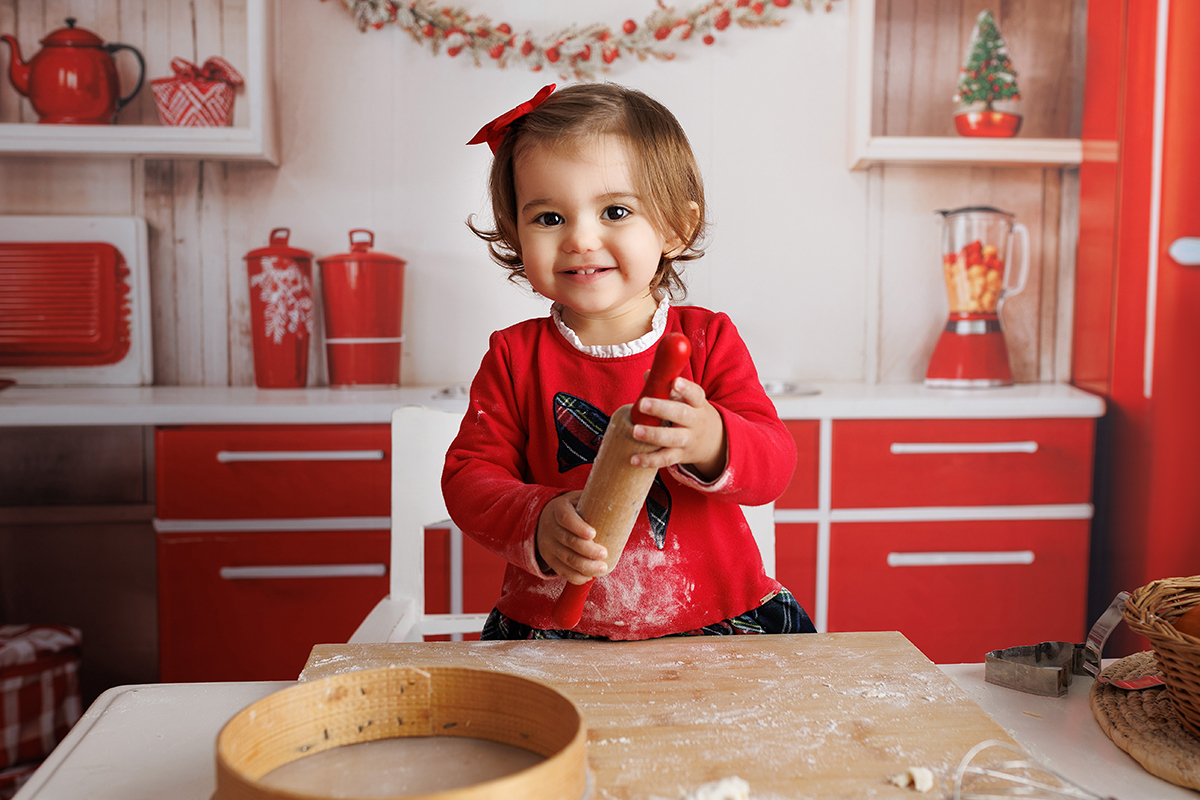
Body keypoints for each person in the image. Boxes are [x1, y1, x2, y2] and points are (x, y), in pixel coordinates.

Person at [442, 82, 815, 641]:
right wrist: (537, 520)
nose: (581, 240)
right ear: (516, 232)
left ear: (674, 227)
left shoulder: (707, 339)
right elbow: (470, 479)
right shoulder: (514, 357)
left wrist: (711, 438)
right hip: (556, 629)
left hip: (714, 621)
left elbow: (774, 465)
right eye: (548, 218)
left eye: (614, 211)